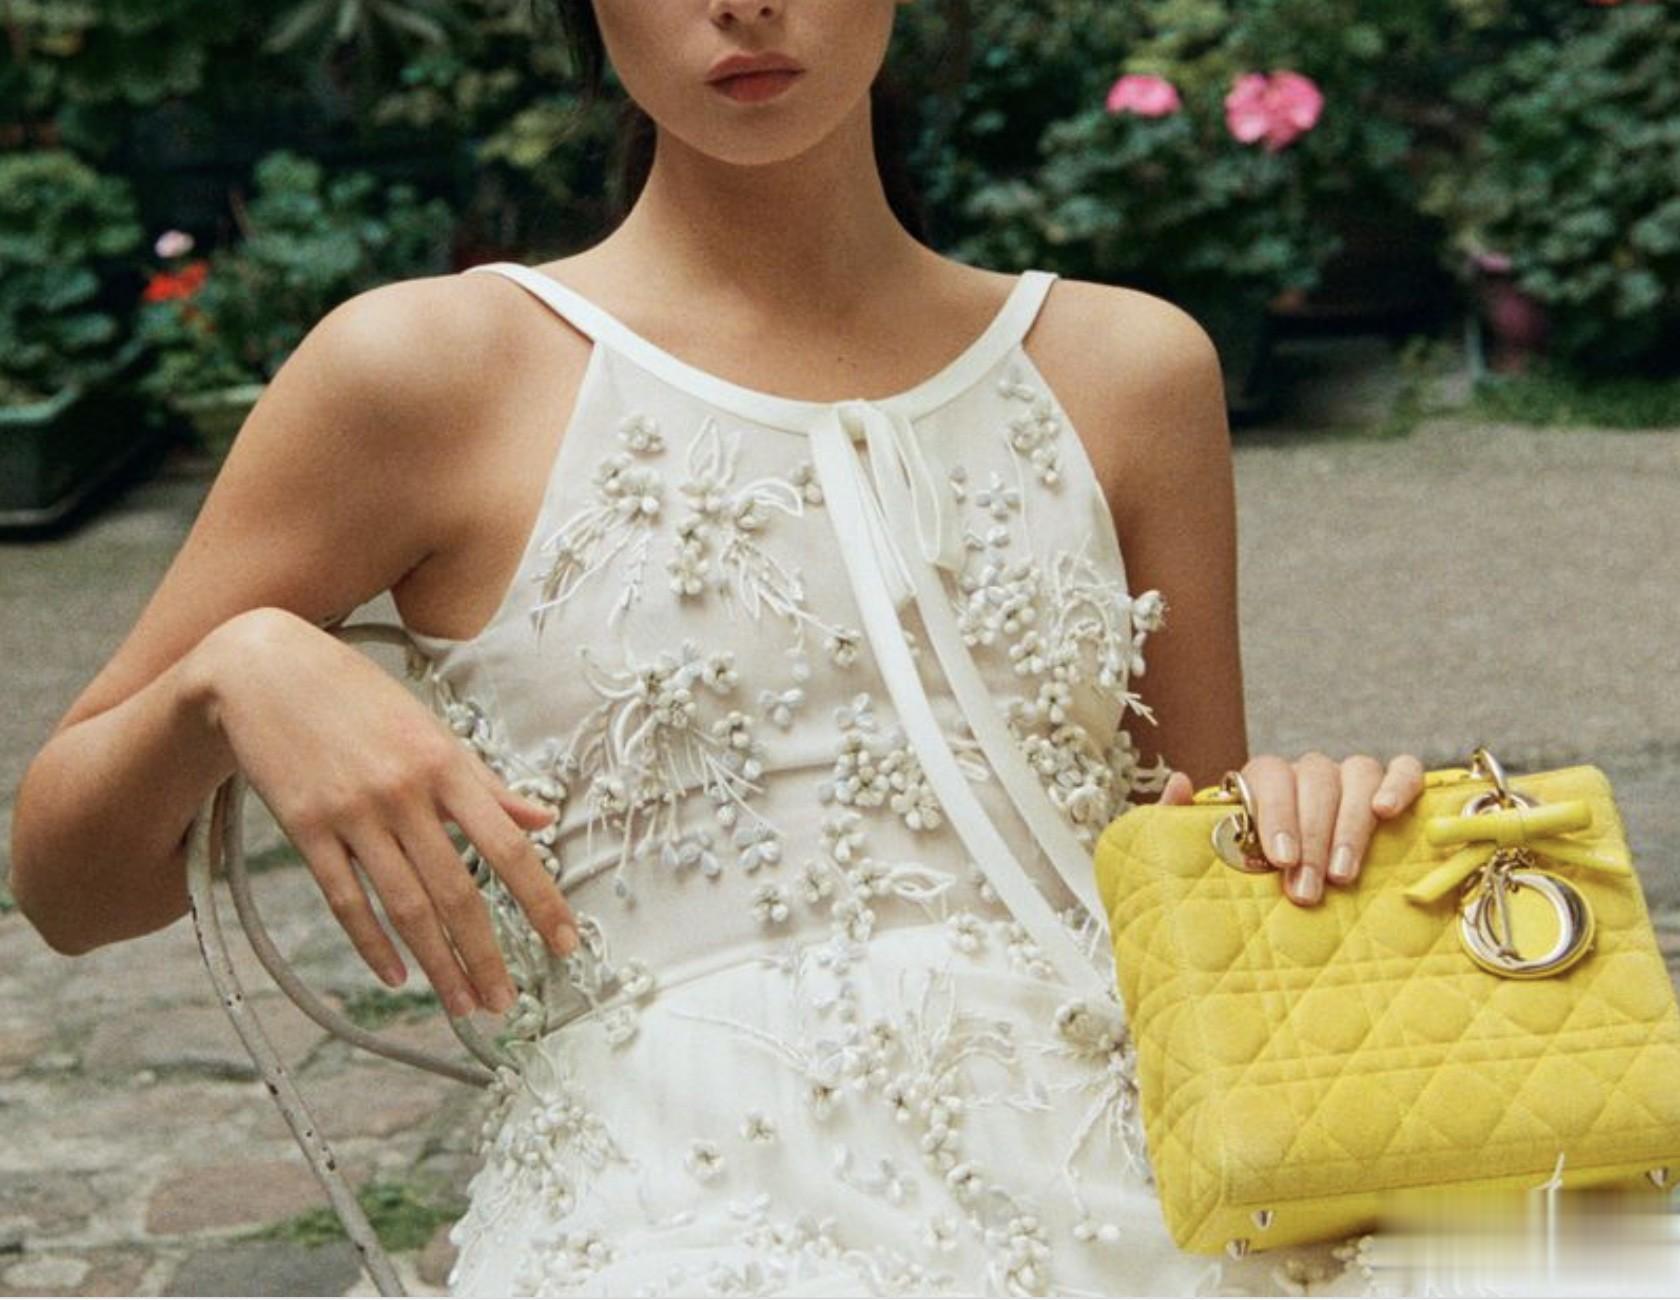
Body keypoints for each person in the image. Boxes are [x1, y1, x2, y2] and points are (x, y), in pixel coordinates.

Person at [10, 0, 1428, 1294]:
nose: (743, 4)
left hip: (1151, 1185)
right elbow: (69, 890)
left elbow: (1196, 873)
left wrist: (1307, 825)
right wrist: (231, 672)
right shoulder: (428, 371)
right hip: (677, 1217)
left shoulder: (1130, 368)